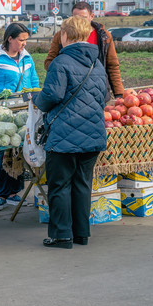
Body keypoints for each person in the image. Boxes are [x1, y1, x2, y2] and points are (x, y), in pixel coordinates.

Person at [33, 17, 109, 248]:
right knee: (82, 185)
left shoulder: (61, 62)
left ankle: (61, 236)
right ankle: (81, 234)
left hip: (64, 135)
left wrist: (36, 99)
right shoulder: (97, 63)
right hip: (94, 134)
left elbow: (52, 97)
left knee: (60, 186)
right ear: (86, 36)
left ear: (65, 35)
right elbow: (104, 97)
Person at [0, 22, 41, 211]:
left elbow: (35, 81)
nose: (24, 44)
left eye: (26, 40)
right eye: (21, 40)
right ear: (9, 39)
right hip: (4, 111)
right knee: (4, 151)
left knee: (20, 149)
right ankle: (0, 194)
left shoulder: (27, 58)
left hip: (24, 109)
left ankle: (15, 192)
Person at [44, 1, 124, 98]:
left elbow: (112, 66)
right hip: (70, 92)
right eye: (75, 18)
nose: (79, 21)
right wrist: (62, 73)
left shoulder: (104, 36)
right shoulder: (61, 35)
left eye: (83, 18)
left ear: (92, 16)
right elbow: (49, 61)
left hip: (98, 91)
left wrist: (119, 94)